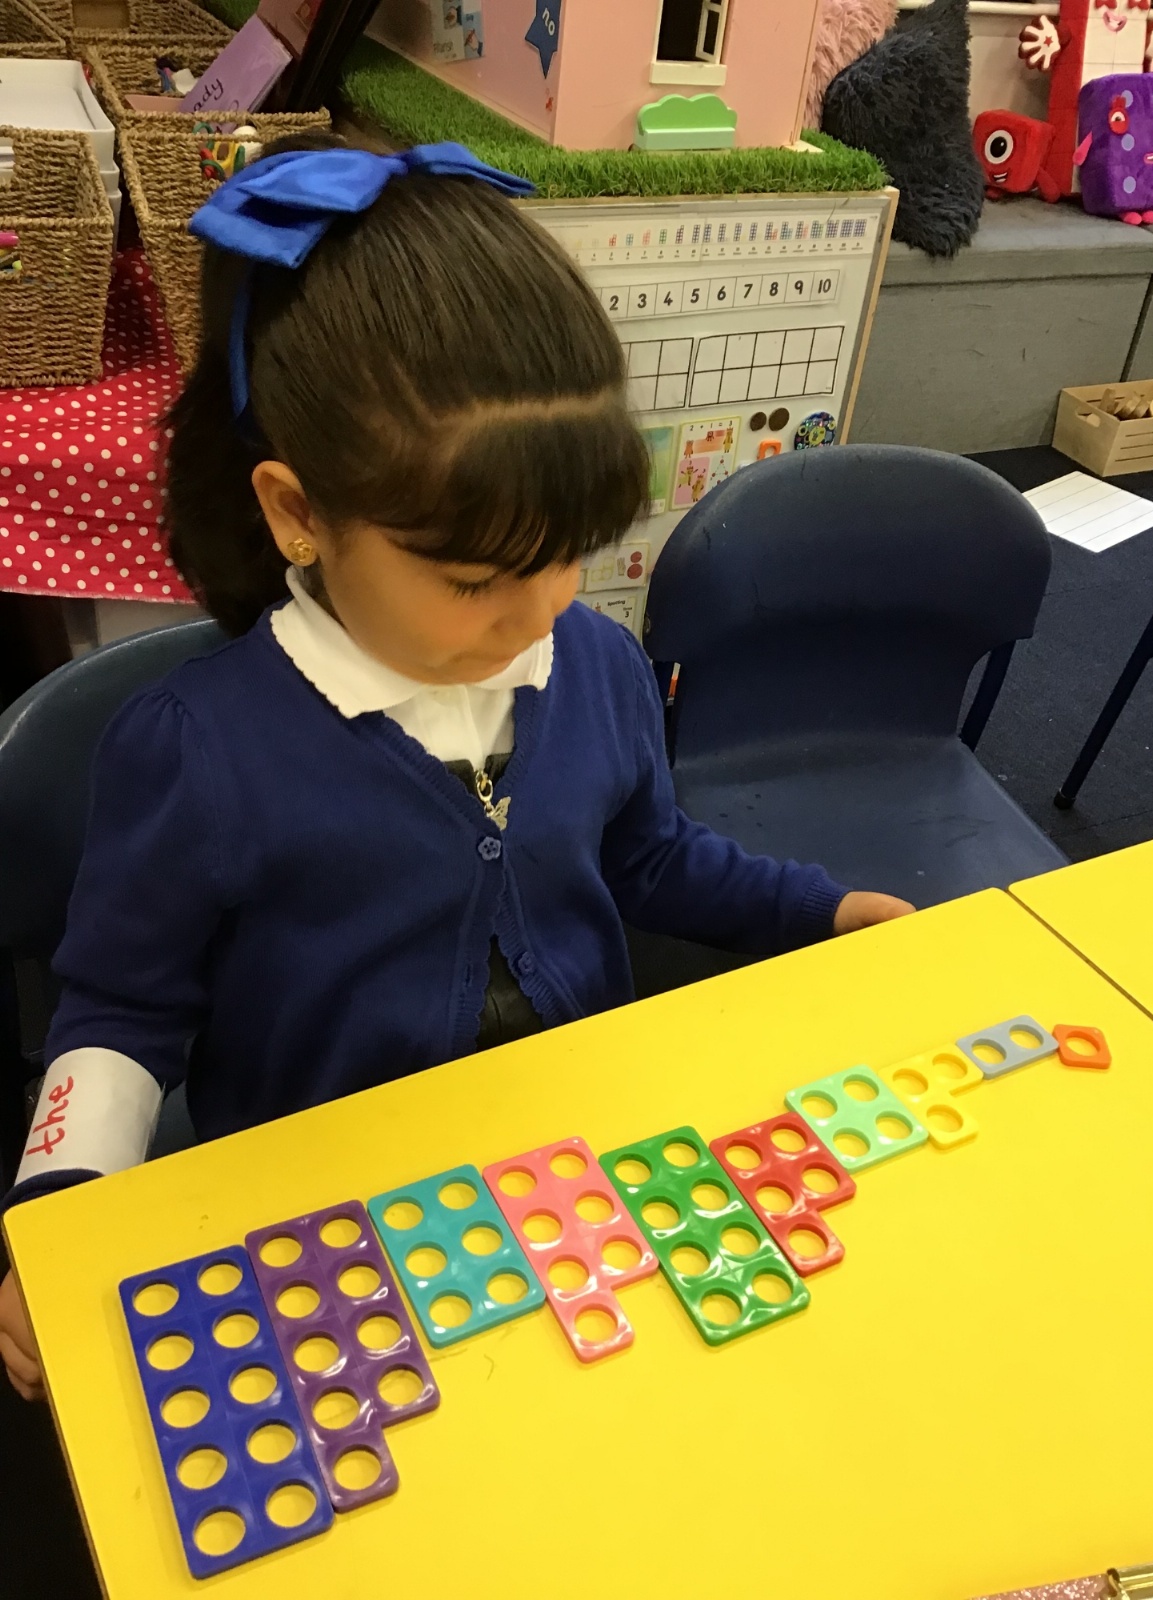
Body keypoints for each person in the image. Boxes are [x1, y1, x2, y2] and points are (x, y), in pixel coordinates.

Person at [0, 137, 913, 1399]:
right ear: (298, 513)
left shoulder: (595, 663)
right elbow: (119, 1014)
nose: (540, 610)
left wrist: (818, 909)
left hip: (574, 1176)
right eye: (478, 578)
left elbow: (650, 856)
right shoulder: (197, 752)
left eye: (568, 553)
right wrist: (62, 1209)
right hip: (325, 1228)